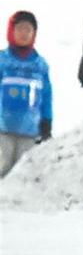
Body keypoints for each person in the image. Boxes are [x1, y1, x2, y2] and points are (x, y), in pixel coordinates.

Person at [0, 11, 52, 177]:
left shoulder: (40, 65)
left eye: (28, 30)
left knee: (22, 173)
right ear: (11, 31)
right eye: (20, 29)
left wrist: (46, 122)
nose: (24, 34)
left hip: (29, 130)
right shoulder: (2, 61)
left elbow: (47, 96)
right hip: (3, 128)